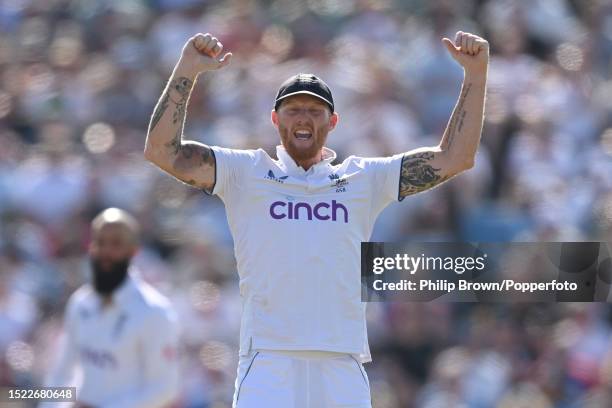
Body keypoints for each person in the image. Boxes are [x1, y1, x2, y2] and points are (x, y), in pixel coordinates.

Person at [144, 30, 488, 407]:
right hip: (269, 360)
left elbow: (456, 158)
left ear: (333, 121)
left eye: (314, 110)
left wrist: (474, 74)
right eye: (293, 110)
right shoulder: (244, 172)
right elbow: (162, 152)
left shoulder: (363, 178)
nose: (303, 118)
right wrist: (188, 70)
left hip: (341, 362)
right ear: (276, 119)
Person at [42, 208, 180, 408]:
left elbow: (164, 388)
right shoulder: (80, 302)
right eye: (100, 242)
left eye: (116, 243)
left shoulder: (155, 311)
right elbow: (62, 371)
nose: (106, 251)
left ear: (133, 251)